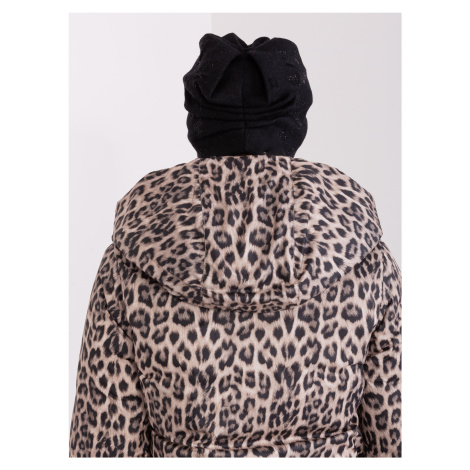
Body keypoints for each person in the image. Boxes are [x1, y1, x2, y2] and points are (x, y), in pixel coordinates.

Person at [69, 32, 401, 458]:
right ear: (295, 121)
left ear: (198, 123)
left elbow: (102, 442)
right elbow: (396, 432)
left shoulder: (129, 262)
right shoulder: (364, 256)